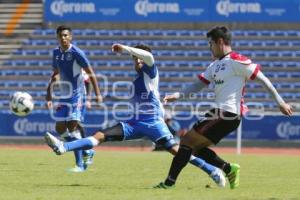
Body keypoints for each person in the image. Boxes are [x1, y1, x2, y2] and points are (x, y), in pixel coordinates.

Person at [45, 43, 226, 187]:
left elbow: (148, 57)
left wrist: (125, 48)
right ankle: (64, 147)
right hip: (134, 123)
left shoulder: (150, 71)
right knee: (99, 135)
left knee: (176, 151)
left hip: (154, 123)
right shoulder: (138, 78)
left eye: (139, 59)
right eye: (135, 59)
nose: (138, 62)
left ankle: (213, 171)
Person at [154, 26, 293, 189]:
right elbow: (198, 85)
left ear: (220, 42)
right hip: (221, 113)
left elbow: (264, 79)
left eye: (210, 43)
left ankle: (169, 183)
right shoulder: (214, 65)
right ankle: (229, 168)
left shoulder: (236, 60)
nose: (209, 47)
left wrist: (280, 102)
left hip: (228, 113)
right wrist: (177, 95)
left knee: (187, 141)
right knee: (195, 148)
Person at [46, 25, 102, 172]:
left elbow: (91, 74)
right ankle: (86, 151)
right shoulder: (55, 53)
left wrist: (98, 95)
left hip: (77, 95)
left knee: (72, 127)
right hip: (63, 96)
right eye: (60, 36)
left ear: (70, 37)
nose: (63, 38)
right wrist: (49, 94)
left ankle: (79, 164)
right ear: (57, 37)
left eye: (66, 35)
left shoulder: (77, 53)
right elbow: (55, 73)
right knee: (60, 129)